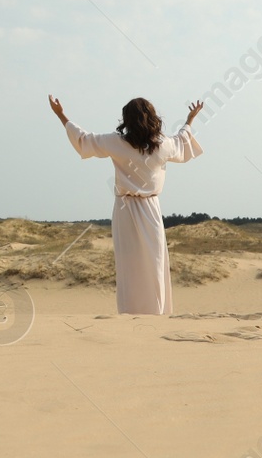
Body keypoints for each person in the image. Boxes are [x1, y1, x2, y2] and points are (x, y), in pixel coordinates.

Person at [47, 95, 204, 316]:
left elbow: (84, 140)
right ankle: (155, 311)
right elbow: (181, 140)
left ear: (126, 119)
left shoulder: (116, 142)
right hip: (149, 208)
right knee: (154, 262)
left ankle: (133, 312)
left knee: (130, 264)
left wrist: (61, 115)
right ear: (153, 118)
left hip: (125, 209)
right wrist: (190, 119)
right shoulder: (163, 145)